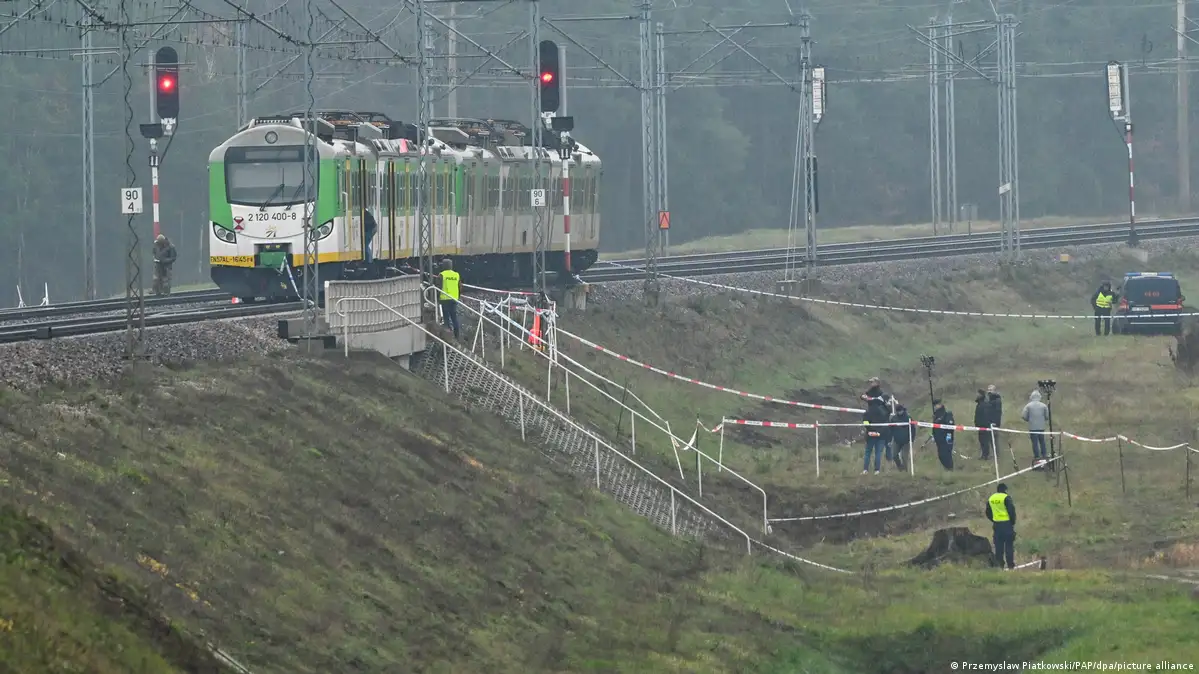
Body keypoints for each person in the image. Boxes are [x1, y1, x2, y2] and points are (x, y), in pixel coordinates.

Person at [860, 377, 890, 475]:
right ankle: (876, 470)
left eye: (872, 382)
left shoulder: (868, 412)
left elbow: (865, 422)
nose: (871, 384)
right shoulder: (884, 412)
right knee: (877, 453)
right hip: (879, 433)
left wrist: (869, 430)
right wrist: (879, 432)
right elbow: (886, 422)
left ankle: (866, 470)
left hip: (873, 433)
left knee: (869, 452)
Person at [985, 483, 1017, 570]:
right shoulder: (1006, 498)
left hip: (997, 525)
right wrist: (1012, 522)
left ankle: (999, 566)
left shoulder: (991, 498)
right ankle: (1010, 566)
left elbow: (987, 512)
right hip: (1007, 524)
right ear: (1005, 490)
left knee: (998, 547)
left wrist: (994, 519)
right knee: (1009, 546)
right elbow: (1011, 511)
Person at [1020, 389, 1050, 462]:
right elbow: (1047, 416)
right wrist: (1043, 420)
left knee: (1035, 443)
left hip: (1032, 428)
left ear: (1031, 397)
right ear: (1039, 397)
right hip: (1041, 427)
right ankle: (1044, 455)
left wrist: (1028, 419)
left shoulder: (1028, 406)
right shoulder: (1044, 406)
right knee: (1042, 441)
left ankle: (1037, 456)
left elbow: (1023, 415)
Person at [437, 258, 461, 339]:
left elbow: (438, 287)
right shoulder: (456, 275)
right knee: (454, 317)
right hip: (454, 299)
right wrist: (458, 297)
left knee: (446, 317)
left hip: (444, 299)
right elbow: (460, 287)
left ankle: (448, 334)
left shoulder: (442, 275)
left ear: (444, 266)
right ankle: (457, 335)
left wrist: (437, 298)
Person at [931, 399, 955, 471]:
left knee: (947, 455)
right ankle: (946, 469)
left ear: (940, 405)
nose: (935, 407)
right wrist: (933, 435)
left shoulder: (946, 414)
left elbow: (950, 426)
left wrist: (948, 437)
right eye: (934, 406)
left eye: (936, 405)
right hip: (939, 439)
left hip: (946, 438)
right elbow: (934, 427)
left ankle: (950, 469)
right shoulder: (935, 416)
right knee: (941, 456)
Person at [889, 397, 912, 471]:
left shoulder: (908, 418)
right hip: (896, 440)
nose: (899, 412)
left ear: (903, 410)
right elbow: (890, 428)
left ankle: (905, 471)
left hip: (906, 441)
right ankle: (900, 467)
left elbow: (913, 428)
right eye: (898, 411)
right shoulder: (893, 418)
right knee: (894, 455)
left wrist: (912, 438)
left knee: (904, 457)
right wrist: (890, 438)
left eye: (900, 411)